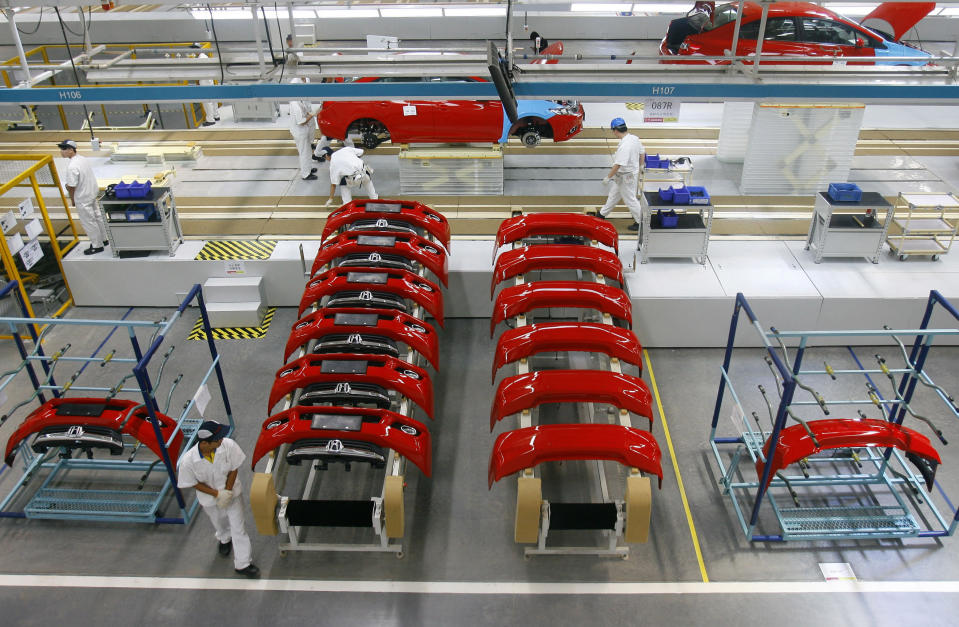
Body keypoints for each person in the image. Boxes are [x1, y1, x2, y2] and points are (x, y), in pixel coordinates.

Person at [176, 420, 260, 578]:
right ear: (205, 443)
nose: (221, 440)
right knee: (219, 522)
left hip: (232, 494)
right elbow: (193, 483)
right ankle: (224, 538)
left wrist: (227, 492)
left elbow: (234, 468)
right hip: (210, 500)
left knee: (238, 528)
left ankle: (243, 563)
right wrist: (217, 494)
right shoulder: (188, 462)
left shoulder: (227, 446)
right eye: (217, 439)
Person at [58, 139, 107, 255]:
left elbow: (71, 186)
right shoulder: (82, 159)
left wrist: (72, 199)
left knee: (88, 221)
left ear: (71, 150)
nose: (61, 152)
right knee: (97, 217)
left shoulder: (72, 167)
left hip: (83, 198)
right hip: (91, 194)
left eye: (64, 149)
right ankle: (104, 239)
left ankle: (97, 245)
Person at [599, 117, 645, 231]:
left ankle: (641, 222)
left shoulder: (625, 146)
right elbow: (642, 152)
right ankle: (601, 215)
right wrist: (641, 166)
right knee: (613, 195)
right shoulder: (634, 138)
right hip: (625, 175)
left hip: (626, 177)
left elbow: (618, 164)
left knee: (630, 200)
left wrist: (608, 177)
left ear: (615, 130)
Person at [288, 77, 319, 180]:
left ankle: (308, 168)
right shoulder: (294, 104)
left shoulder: (299, 99)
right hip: (299, 131)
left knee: (308, 150)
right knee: (304, 152)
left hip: (304, 129)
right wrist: (312, 114)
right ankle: (305, 174)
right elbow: (301, 122)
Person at [192, 44, 219, 126]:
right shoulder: (204, 56)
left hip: (205, 80)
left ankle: (210, 120)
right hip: (209, 80)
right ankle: (216, 115)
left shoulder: (201, 58)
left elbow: (198, 70)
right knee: (213, 99)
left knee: (207, 101)